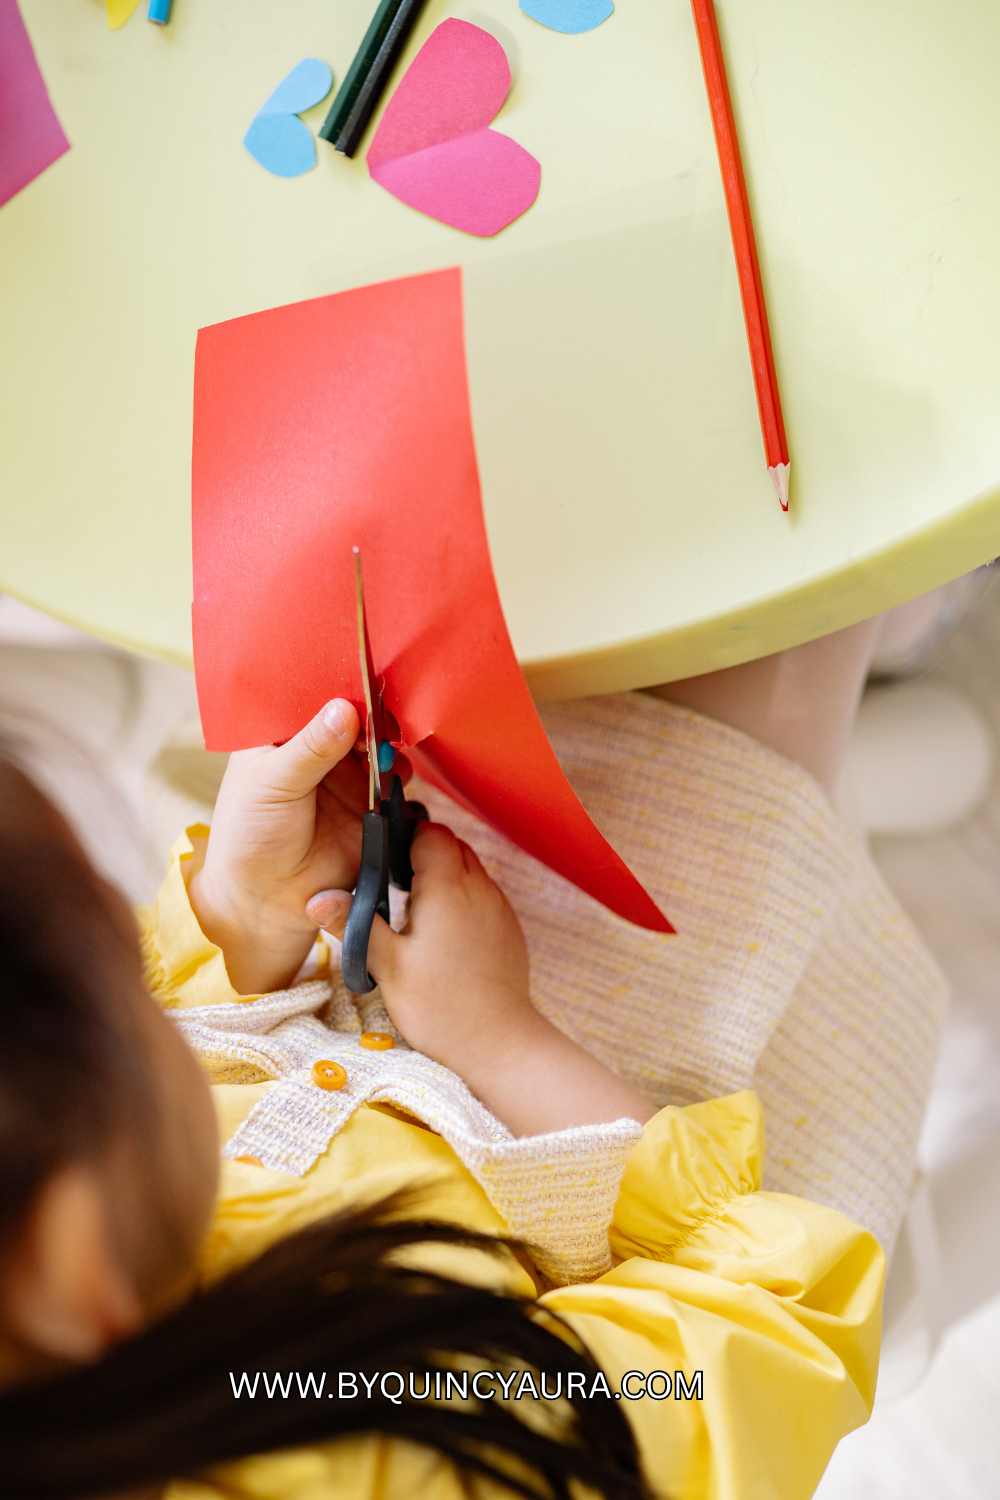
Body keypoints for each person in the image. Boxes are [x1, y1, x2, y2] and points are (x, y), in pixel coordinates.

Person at [0, 606, 949, 1500]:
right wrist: (501, 1039)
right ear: (73, 1255)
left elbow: (150, 1080)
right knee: (755, 651)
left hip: (414, 973)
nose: (145, 981)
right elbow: (763, 1329)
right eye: (132, 988)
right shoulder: (414, 1450)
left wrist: (241, 920)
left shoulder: (46, 1283)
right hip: (684, 1214)